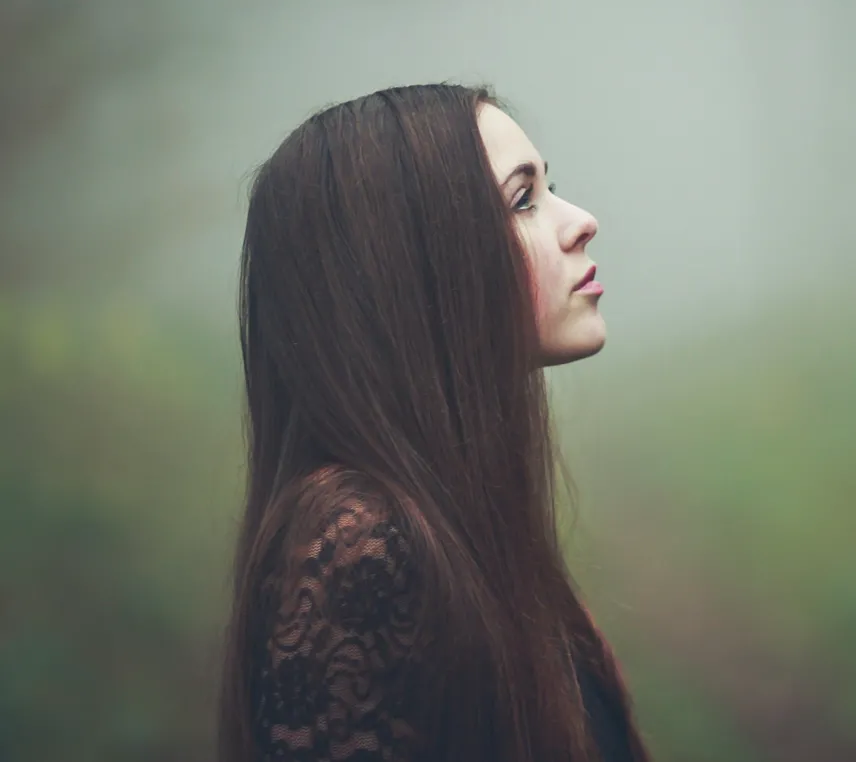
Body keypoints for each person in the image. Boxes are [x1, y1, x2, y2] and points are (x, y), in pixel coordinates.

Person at [216, 84, 651, 762]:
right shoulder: (361, 541)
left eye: (549, 189)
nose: (581, 221)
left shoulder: (449, 518)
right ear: (409, 262)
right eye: (522, 200)